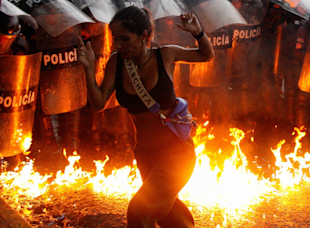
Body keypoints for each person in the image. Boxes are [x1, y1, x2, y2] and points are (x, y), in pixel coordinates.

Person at [77, 6, 214, 227]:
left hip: (176, 153)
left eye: (124, 39)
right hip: (145, 155)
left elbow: (206, 55)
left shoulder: (166, 55)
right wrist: (87, 67)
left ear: (144, 36)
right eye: (115, 39)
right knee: (167, 213)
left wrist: (197, 32)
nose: (118, 45)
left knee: (139, 210)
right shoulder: (116, 62)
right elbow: (98, 103)